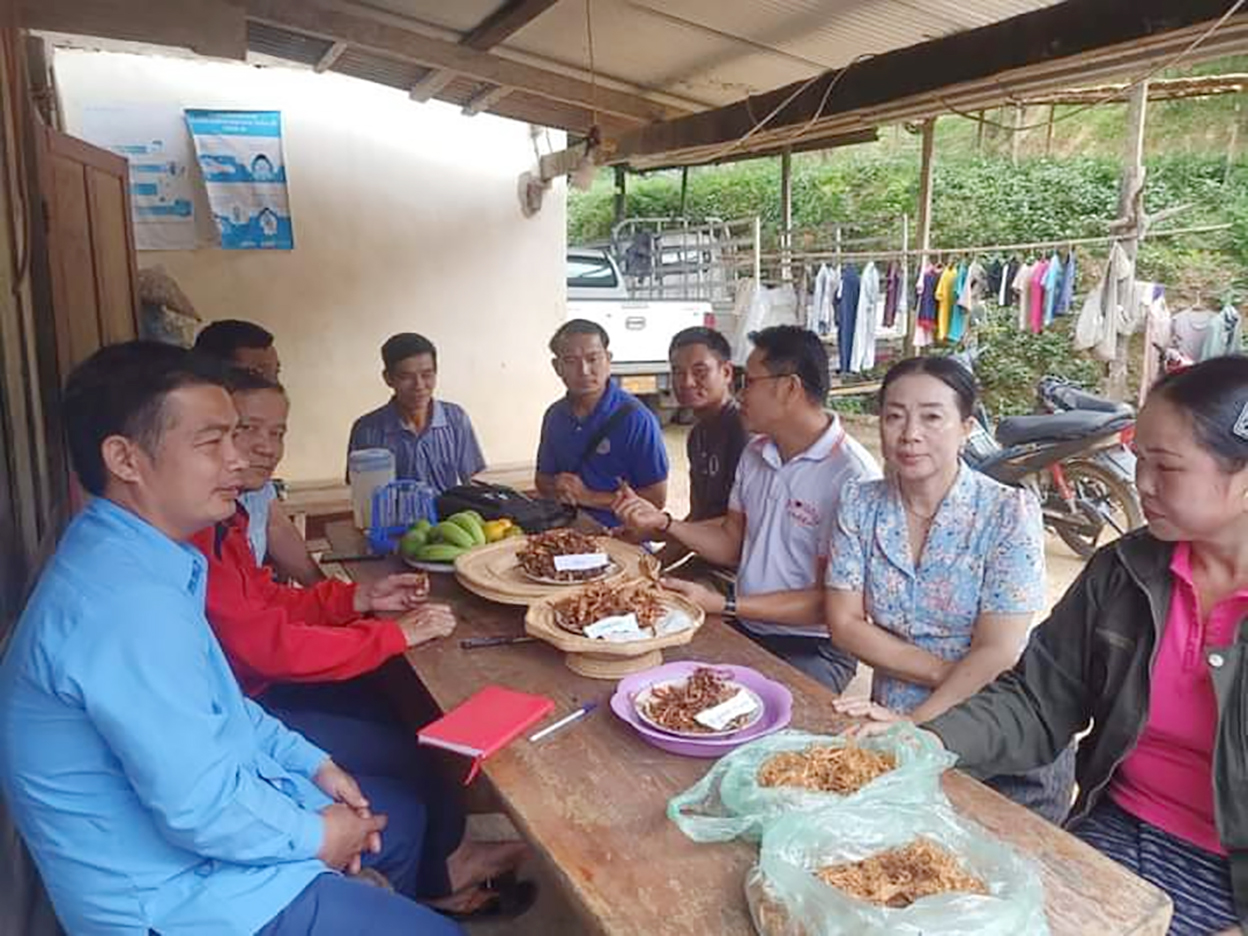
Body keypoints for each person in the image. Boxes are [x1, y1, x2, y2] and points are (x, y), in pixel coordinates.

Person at [0, 341, 461, 935]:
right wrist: (318, 836)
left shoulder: (146, 559)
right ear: (125, 459)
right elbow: (202, 809)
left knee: (388, 826)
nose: (238, 459)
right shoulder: (123, 605)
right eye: (212, 441)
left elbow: (223, 706)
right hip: (182, 905)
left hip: (211, 861)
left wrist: (312, 764)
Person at [916, 356, 1248, 935]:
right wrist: (926, 743)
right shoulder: (1125, 571)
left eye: (1166, 466)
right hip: (1115, 831)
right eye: (1139, 459)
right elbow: (1039, 700)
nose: (1142, 483)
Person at [193, 367, 530, 918]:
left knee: (408, 718)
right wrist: (392, 633)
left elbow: (269, 603)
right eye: (243, 430)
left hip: (252, 694)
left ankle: (445, 862)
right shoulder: (186, 535)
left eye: (277, 433)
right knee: (411, 760)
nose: (262, 448)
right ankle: (431, 884)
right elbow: (265, 646)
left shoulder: (220, 523)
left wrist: (359, 598)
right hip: (253, 703)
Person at [824, 356, 1075, 823]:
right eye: (894, 416)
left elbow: (998, 650)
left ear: (966, 428)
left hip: (995, 729)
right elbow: (844, 624)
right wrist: (945, 674)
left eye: (932, 417)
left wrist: (913, 726)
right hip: (889, 717)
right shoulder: (860, 503)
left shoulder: (1008, 512)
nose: (910, 433)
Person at [614, 325, 879, 692]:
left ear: (789, 388)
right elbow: (731, 542)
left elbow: (834, 605)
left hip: (815, 646)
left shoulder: (853, 478)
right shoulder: (756, 453)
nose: (741, 394)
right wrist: (664, 522)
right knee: (654, 679)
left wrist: (725, 604)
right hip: (748, 623)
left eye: (749, 382)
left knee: (758, 718)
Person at [194, 318, 324, 586]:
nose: (270, 382)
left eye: (278, 433)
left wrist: (332, 594)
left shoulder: (253, 480)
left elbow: (277, 529)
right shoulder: (194, 508)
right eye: (255, 373)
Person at [536, 319, 669, 527]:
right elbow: (542, 480)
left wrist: (588, 496)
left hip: (621, 534)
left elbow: (656, 500)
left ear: (608, 360)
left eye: (593, 359)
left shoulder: (636, 419)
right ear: (557, 367)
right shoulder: (554, 416)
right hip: (564, 529)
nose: (584, 370)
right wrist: (557, 486)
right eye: (570, 361)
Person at [651, 326, 748, 568]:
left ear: (726, 372)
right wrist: (649, 566)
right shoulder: (697, 435)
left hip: (741, 567)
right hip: (708, 557)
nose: (686, 382)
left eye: (700, 372)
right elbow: (698, 519)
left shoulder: (743, 431)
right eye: (677, 372)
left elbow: (743, 526)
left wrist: (665, 527)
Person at [348, 333, 486, 494]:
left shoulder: (456, 419)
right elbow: (362, 492)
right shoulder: (366, 430)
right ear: (388, 378)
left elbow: (472, 482)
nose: (419, 385)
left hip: (448, 511)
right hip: (392, 512)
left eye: (427, 375)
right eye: (406, 377)